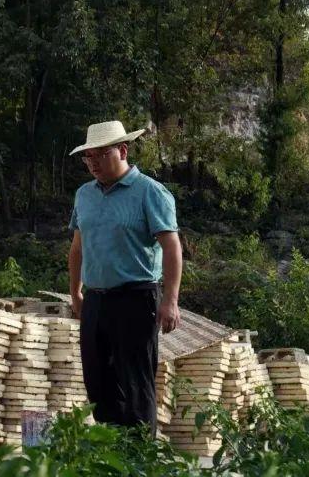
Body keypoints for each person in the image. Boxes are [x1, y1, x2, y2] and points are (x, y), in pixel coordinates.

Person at [67, 121, 182, 434]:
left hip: (136, 298)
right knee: (97, 383)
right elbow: (78, 248)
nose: (93, 163)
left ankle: (140, 457)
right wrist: (75, 293)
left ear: (123, 150)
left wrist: (171, 300)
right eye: (88, 157)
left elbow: (172, 247)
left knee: (135, 384)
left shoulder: (150, 192)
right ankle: (111, 455)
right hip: (95, 298)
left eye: (101, 155)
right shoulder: (84, 195)